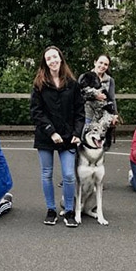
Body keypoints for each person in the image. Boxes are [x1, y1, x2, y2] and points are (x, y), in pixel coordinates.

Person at [30, 46, 85, 227]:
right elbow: (36, 112)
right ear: (45, 63)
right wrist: (51, 131)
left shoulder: (72, 84)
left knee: (69, 175)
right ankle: (51, 209)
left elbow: (79, 111)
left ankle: (69, 210)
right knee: (47, 174)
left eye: (55, 57)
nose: (52, 61)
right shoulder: (39, 84)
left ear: (60, 58)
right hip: (46, 136)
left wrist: (77, 133)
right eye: (48, 59)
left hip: (68, 136)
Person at [78, 54, 119, 148]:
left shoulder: (110, 80)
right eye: (101, 62)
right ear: (95, 62)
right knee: (84, 141)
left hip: (102, 115)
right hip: (87, 113)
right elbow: (78, 95)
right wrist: (95, 96)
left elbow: (112, 98)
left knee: (100, 143)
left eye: (105, 64)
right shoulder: (85, 76)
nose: (102, 66)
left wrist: (115, 114)